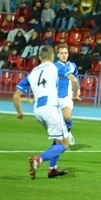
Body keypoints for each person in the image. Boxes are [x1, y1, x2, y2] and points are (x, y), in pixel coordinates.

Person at [12, 45, 79, 179]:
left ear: (39, 58)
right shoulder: (56, 67)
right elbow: (73, 79)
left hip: (38, 110)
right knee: (64, 144)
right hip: (51, 108)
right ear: (53, 57)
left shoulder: (32, 73)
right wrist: (75, 94)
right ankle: (38, 159)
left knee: (57, 138)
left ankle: (52, 169)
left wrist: (20, 112)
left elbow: (15, 96)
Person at [54, 43, 82, 145]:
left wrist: (77, 89)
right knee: (57, 123)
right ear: (58, 55)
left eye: (65, 53)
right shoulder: (54, 66)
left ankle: (68, 133)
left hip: (67, 96)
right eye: (61, 53)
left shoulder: (73, 66)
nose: (64, 55)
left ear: (68, 54)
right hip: (55, 97)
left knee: (67, 116)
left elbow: (76, 77)